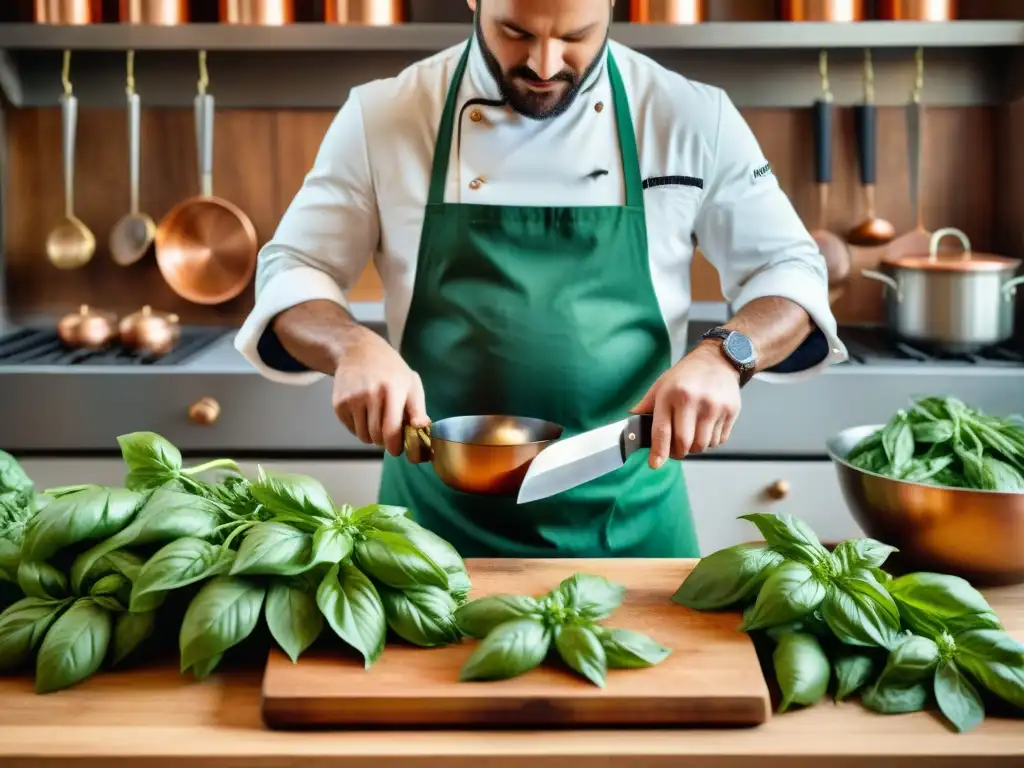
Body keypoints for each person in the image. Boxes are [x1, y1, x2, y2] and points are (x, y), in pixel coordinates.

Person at [235, 0, 848, 559]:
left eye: (576, 36)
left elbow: (789, 271)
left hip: (632, 524)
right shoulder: (385, 116)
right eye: (515, 32)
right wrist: (353, 346)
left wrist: (727, 355)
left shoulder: (688, 114)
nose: (544, 63)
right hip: (426, 535)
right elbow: (294, 268)